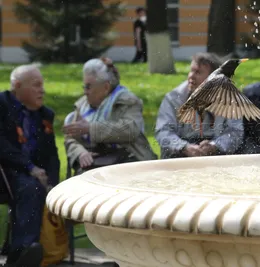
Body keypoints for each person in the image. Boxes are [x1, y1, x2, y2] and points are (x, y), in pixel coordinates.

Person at [0, 64, 60, 266]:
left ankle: (26, 251)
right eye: (36, 85)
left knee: (41, 189)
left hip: (30, 175)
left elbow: (52, 155)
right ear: (17, 85)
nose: (42, 90)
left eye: (42, 85)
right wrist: (30, 167)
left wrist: (53, 183)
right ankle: (22, 252)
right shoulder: (1, 105)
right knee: (30, 187)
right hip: (5, 170)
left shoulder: (45, 115)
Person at [63, 57, 157, 175]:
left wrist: (90, 129)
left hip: (128, 160)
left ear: (106, 87)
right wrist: (80, 153)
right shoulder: (82, 105)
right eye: (84, 86)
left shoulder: (127, 100)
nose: (85, 91)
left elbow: (130, 129)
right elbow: (70, 139)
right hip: (93, 162)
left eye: (88, 87)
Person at [155, 52, 244, 159]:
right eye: (191, 70)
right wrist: (184, 147)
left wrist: (214, 146)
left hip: (216, 150)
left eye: (198, 72)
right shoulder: (173, 98)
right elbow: (163, 131)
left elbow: (235, 132)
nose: (191, 76)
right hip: (181, 150)